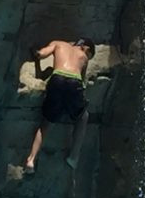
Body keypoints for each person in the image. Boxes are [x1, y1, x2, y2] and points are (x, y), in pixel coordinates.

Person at [24, 38, 95, 174]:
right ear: (85, 48)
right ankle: (73, 157)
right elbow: (82, 82)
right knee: (83, 116)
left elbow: (41, 54)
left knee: (46, 123)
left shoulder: (58, 44)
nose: (88, 57)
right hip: (74, 83)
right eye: (90, 54)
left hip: (56, 80)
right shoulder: (83, 57)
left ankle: (31, 160)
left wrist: (35, 53)